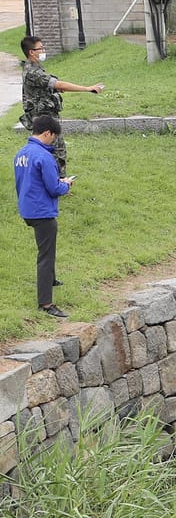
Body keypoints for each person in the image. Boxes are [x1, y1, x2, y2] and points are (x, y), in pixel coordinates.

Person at [15, 115, 75, 318]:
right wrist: (66, 184)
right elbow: (54, 188)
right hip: (42, 211)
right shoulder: (44, 156)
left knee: (46, 248)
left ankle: (51, 280)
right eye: (53, 137)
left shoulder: (21, 153)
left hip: (27, 208)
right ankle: (46, 304)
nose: (53, 141)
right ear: (47, 133)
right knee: (46, 256)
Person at [19, 36, 105, 177]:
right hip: (44, 119)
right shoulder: (32, 72)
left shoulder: (35, 68)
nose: (43, 50)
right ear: (31, 52)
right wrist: (88, 88)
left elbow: (45, 89)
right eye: (40, 48)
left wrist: (55, 90)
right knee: (57, 150)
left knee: (52, 150)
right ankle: (58, 183)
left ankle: (53, 182)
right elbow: (58, 84)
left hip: (46, 116)